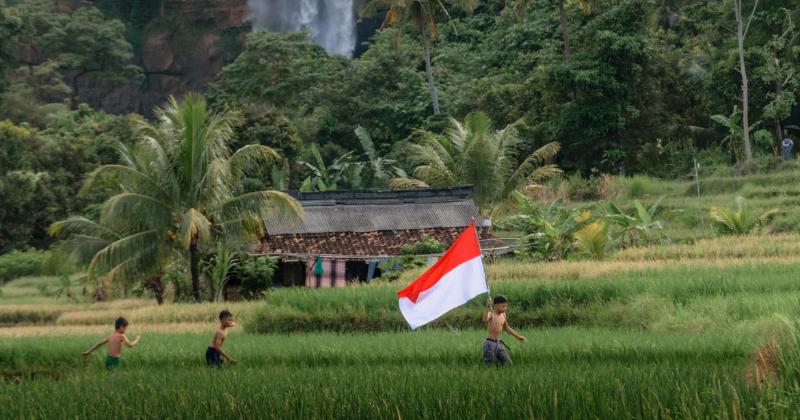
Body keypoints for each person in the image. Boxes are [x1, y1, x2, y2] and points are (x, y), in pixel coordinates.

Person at [482, 295, 526, 366]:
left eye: (506, 306)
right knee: (490, 366)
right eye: (503, 306)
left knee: (508, 364)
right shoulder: (491, 314)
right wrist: (487, 305)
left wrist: (517, 336)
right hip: (489, 344)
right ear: (496, 306)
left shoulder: (503, 315)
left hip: (499, 344)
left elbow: (506, 327)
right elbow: (484, 319)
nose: (505, 308)